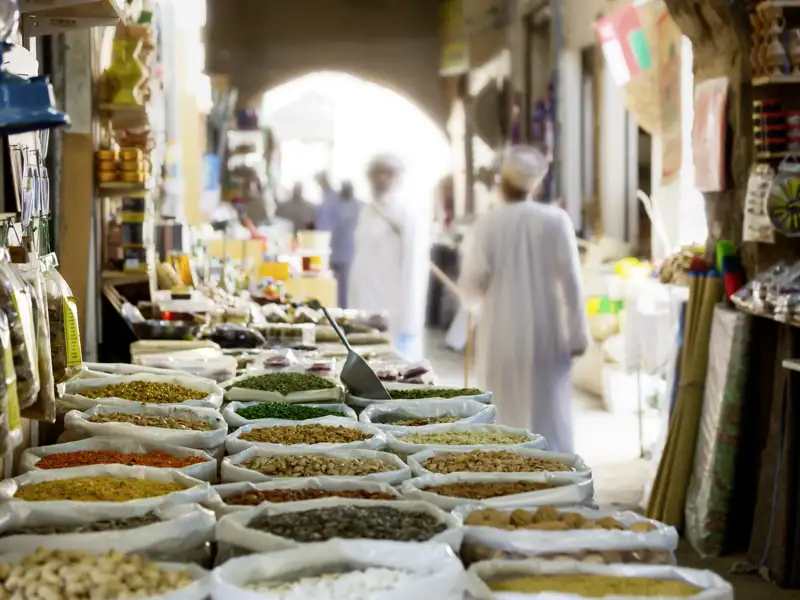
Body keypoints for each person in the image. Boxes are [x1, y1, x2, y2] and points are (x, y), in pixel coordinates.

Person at [457, 145, 588, 453]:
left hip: (500, 335)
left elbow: (473, 284)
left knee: (504, 412)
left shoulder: (487, 224)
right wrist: (577, 337)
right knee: (547, 414)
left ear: (501, 183)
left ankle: (505, 481)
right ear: (537, 184)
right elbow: (571, 283)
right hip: (547, 335)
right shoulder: (556, 220)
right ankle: (554, 481)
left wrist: (468, 299)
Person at [349, 153, 430, 360]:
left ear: (397, 178)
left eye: (387, 174)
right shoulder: (367, 211)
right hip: (365, 302)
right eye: (377, 174)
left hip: (394, 308)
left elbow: (413, 268)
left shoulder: (408, 213)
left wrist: (409, 318)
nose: (381, 179)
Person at [316, 179, 363, 308]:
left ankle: (344, 309)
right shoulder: (332, 204)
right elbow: (323, 226)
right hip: (332, 251)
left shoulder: (359, 206)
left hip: (349, 253)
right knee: (330, 285)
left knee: (347, 287)